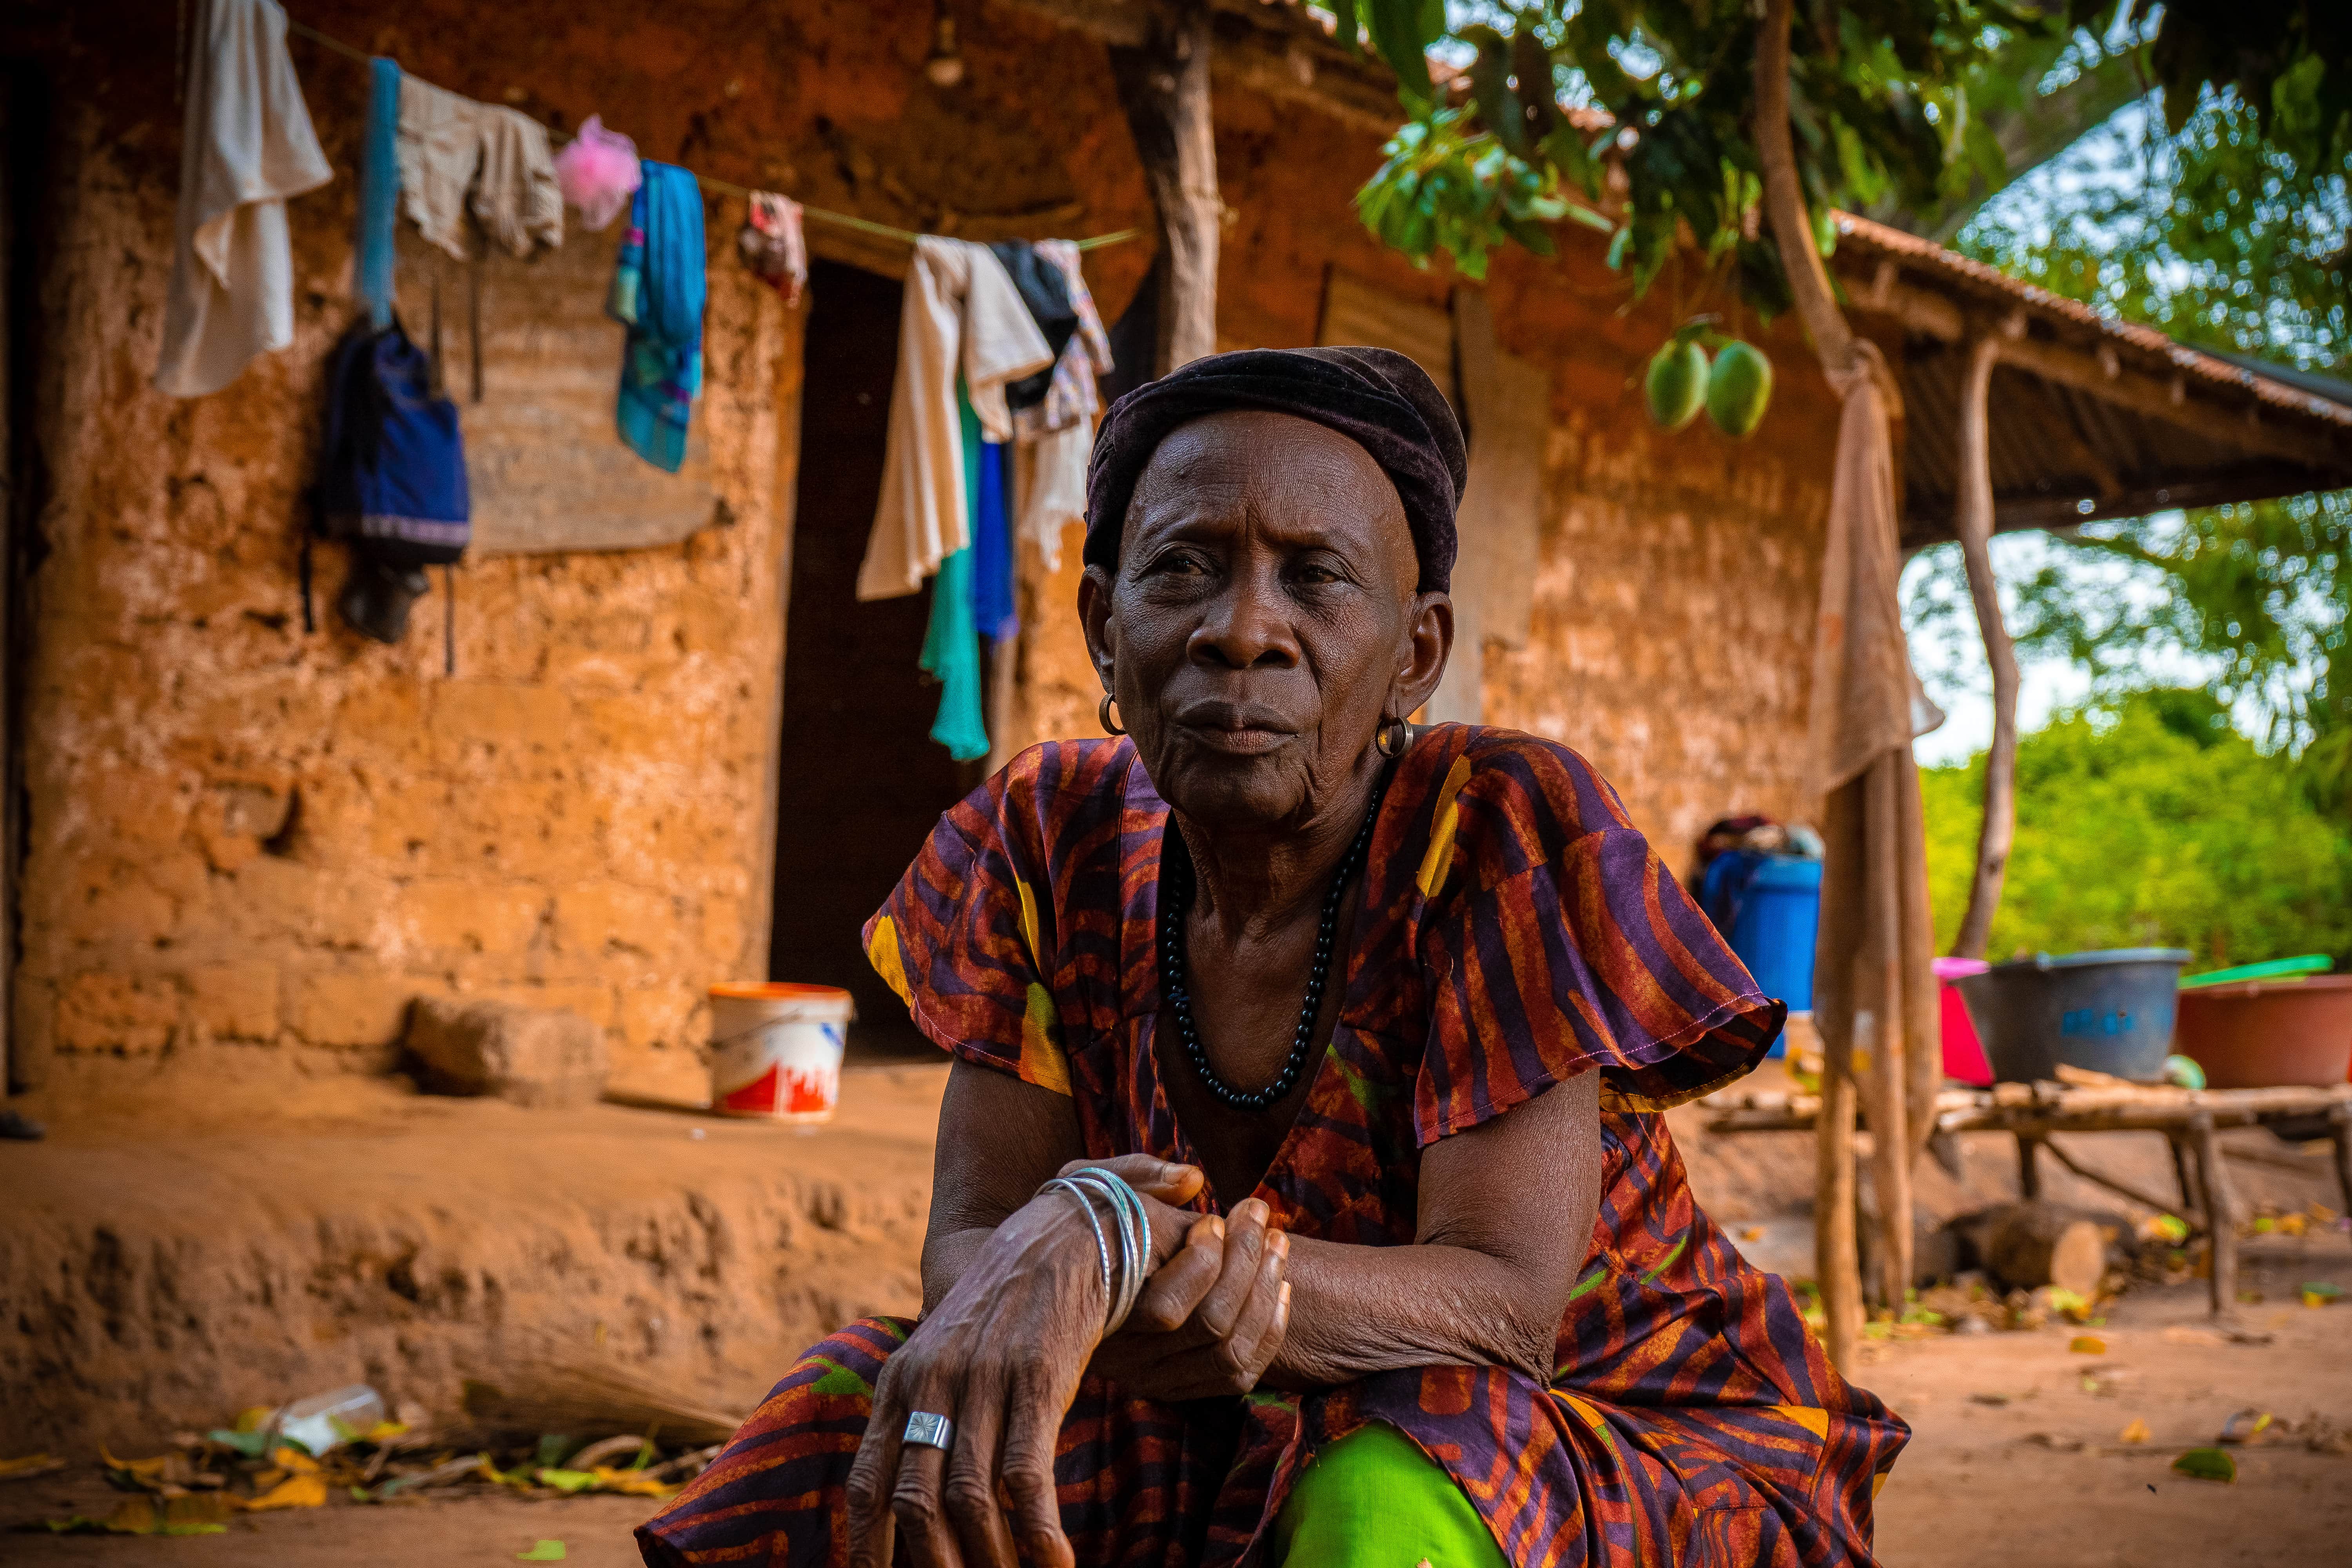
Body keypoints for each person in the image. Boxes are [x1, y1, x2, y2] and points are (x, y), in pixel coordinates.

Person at [638, 347, 1906, 1568]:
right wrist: (1087, 1237)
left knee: (1384, 1488)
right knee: (876, 1418)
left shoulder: (1497, 830)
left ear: (1415, 652)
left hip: (1591, 1427)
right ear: (1102, 624)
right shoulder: (1044, 836)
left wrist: (1113, 1244)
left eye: (1315, 579)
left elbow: (1504, 1304)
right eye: (1183, 568)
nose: (1241, 632)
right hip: (1199, 1416)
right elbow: (973, 1249)